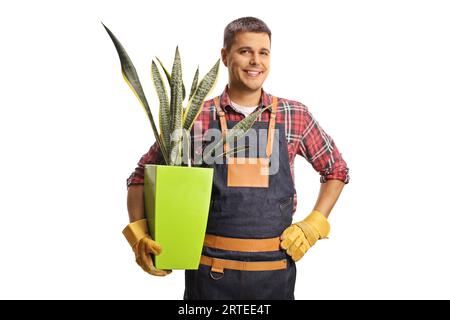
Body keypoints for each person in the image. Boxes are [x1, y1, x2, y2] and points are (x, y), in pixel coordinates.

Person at [122, 17, 350, 300]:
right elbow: (140, 176)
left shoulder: (295, 115)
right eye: (245, 51)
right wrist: (139, 235)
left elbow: (336, 168)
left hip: (275, 275)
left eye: (263, 52)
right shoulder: (196, 118)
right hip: (208, 277)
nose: (255, 61)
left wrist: (315, 223)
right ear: (225, 56)